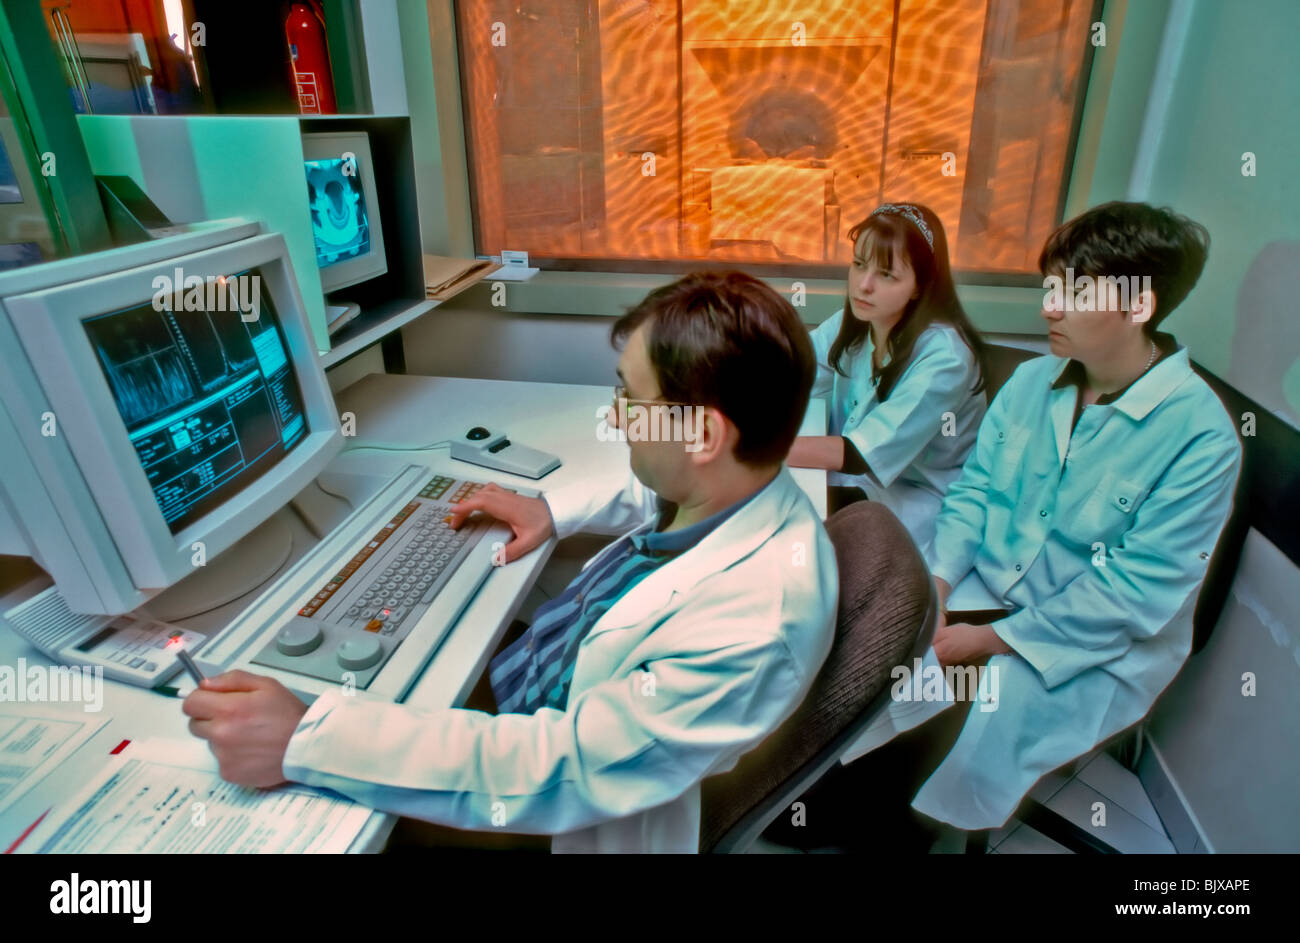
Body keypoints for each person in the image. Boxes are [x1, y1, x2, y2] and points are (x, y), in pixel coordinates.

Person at [183, 271, 839, 853]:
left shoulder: (756, 623)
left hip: (541, 798)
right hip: (534, 685)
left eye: (629, 401)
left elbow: (560, 767)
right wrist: (550, 508)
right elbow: (654, 487)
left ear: (703, 435)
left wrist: (307, 739)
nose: (614, 418)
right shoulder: (740, 482)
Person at [913, 201, 1241, 831]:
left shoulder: (1201, 437)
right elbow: (975, 492)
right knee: (879, 677)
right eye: (1050, 287)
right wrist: (938, 581)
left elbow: (1132, 594)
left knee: (943, 735)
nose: (1049, 307)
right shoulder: (1034, 382)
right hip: (989, 586)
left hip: (1091, 644)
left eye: (1074, 292)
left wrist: (988, 640)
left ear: (1139, 306)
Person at [787, 202, 986, 557]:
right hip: (851, 481)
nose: (863, 285)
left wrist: (755, 449)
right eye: (859, 265)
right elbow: (790, 372)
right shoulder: (856, 322)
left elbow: (859, 455)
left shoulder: (945, 357)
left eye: (886, 275)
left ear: (919, 286)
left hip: (912, 498)